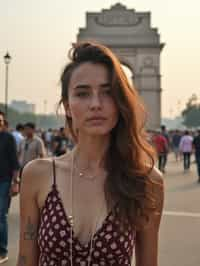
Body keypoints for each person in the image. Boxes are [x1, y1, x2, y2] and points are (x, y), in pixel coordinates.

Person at [17, 42, 164, 266]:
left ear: (121, 102)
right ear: (67, 106)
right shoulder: (37, 175)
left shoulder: (146, 181)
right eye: (83, 93)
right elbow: (25, 261)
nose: (96, 104)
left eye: (108, 92)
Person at [0, 110, 20, 264]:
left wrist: (15, 182)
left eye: (0, 121)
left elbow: (14, 162)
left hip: (4, 181)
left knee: (1, 216)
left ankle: (2, 251)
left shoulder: (8, 138)